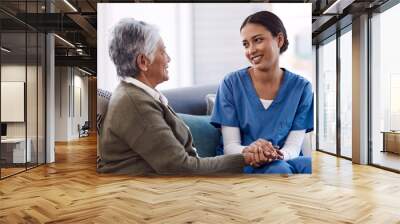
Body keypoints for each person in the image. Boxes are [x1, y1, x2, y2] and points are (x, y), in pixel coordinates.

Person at [97, 18, 268, 175]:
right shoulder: (135, 103)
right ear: (143, 62)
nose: (168, 59)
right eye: (162, 52)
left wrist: (245, 155)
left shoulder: (139, 95)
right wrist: (245, 159)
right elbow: (180, 168)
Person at [210, 11, 313, 174]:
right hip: (243, 160)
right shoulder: (231, 84)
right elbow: (230, 146)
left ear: (279, 39)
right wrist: (252, 151)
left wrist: (277, 154)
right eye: (245, 44)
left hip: (285, 158)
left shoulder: (302, 88)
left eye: (257, 40)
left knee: (309, 165)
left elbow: (293, 146)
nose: (251, 50)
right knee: (278, 170)